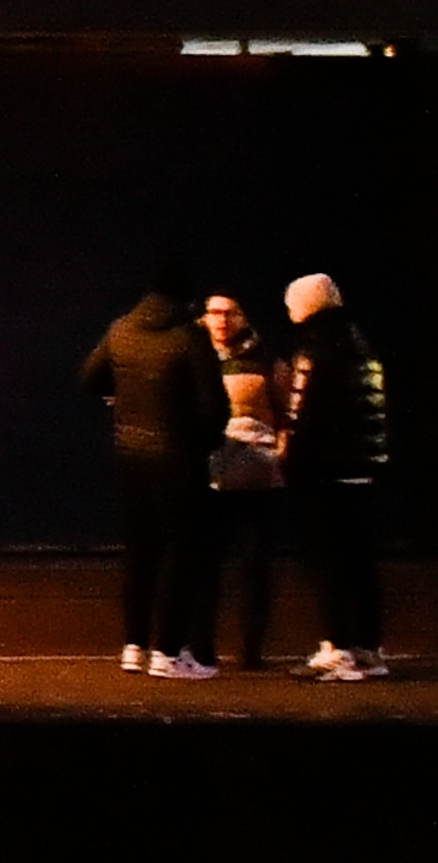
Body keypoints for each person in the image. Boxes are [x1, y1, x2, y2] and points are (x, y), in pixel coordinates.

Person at [79, 272, 220, 678]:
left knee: (141, 555)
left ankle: (134, 646)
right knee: (179, 554)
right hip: (178, 459)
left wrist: (121, 396)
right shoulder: (189, 337)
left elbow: (90, 377)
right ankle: (169, 652)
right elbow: (214, 409)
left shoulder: (121, 329)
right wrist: (204, 442)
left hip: (130, 456)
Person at [281, 274, 390, 683]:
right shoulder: (360, 343)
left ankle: (336, 648)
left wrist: (289, 463)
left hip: (325, 474)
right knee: (360, 564)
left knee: (327, 563)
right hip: (362, 470)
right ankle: (368, 648)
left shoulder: (314, 350)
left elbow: (302, 416)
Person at [198, 290, 284, 672]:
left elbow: (286, 413)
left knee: (253, 564)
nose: (221, 320)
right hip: (210, 476)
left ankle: (251, 650)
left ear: (243, 317)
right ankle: (201, 647)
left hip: (255, 477)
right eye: (214, 312)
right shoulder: (194, 356)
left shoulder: (265, 359)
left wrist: (280, 453)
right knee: (205, 563)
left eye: (229, 312)